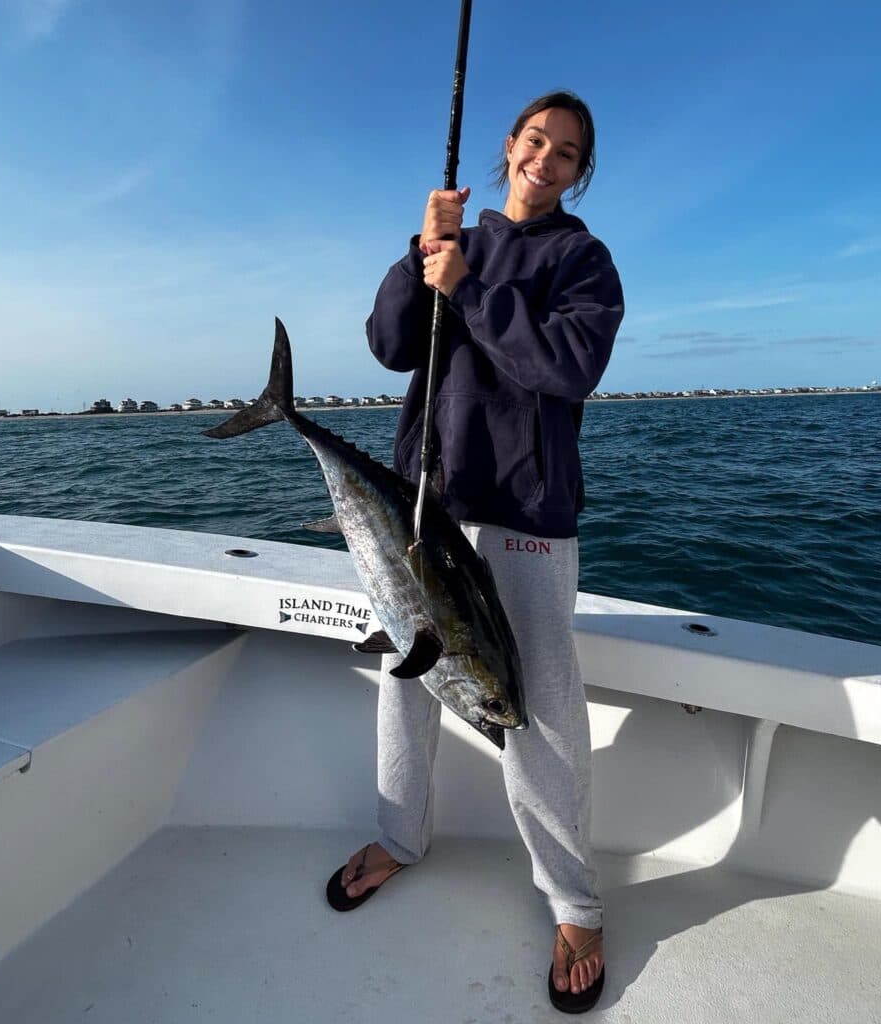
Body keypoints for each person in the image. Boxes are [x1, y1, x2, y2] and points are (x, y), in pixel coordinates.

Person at [326, 90, 624, 1014]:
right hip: (430, 502)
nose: (548, 158)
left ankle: (574, 901)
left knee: (536, 709)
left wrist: (473, 292)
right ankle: (400, 837)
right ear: (509, 147)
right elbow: (388, 345)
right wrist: (422, 253)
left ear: (581, 172)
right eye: (537, 140)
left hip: (528, 513)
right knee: (406, 682)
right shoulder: (457, 240)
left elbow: (569, 368)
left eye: (568, 152)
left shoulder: (584, 259)